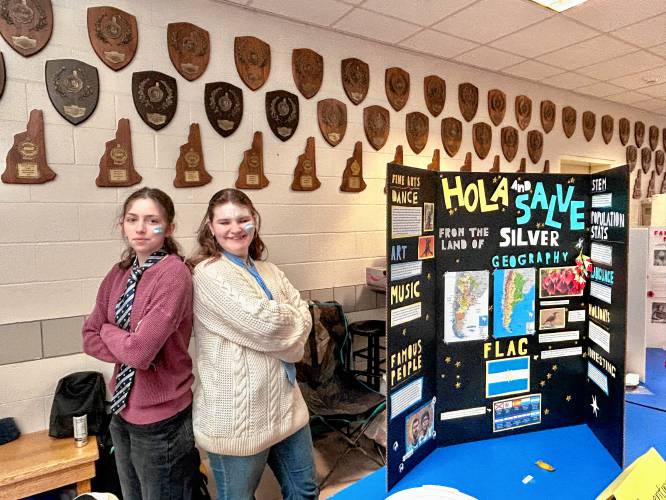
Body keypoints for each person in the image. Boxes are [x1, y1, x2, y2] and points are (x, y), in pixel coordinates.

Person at [188, 188, 317, 500]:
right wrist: (290, 329)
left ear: (254, 222)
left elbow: (305, 315)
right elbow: (265, 325)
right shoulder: (208, 274)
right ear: (210, 225)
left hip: (287, 407)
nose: (235, 228)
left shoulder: (268, 269)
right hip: (237, 417)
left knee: (305, 491)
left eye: (243, 219)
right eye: (224, 221)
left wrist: (287, 325)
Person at [82, 187, 195, 500]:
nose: (141, 228)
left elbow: (141, 352)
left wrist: (109, 330)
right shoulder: (118, 274)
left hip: (162, 419)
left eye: (152, 220)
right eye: (132, 219)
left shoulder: (173, 273)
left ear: (169, 228)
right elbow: (88, 337)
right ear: (123, 225)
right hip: (121, 410)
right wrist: (124, 340)